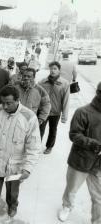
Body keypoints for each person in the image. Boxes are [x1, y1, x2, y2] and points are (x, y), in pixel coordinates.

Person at [0, 85, 41, 224]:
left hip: (16, 166)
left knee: (12, 191)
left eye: (9, 103)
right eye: (2, 102)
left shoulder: (29, 117)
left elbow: (34, 147)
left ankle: (12, 205)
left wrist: (28, 168)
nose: (5, 107)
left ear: (18, 100)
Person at [58, 82, 101, 223]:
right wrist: (95, 145)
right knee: (72, 188)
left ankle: (97, 220)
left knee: (99, 197)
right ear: (98, 93)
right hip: (81, 160)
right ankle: (66, 206)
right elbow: (74, 135)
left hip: (98, 165)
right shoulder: (83, 112)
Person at [39, 61, 70, 154]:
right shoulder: (42, 82)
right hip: (43, 111)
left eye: (55, 69)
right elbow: (37, 96)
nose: (52, 71)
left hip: (55, 112)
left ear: (59, 70)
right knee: (40, 129)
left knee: (53, 130)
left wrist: (64, 116)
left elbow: (66, 100)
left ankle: (49, 146)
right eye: (51, 68)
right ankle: (36, 146)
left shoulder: (64, 83)